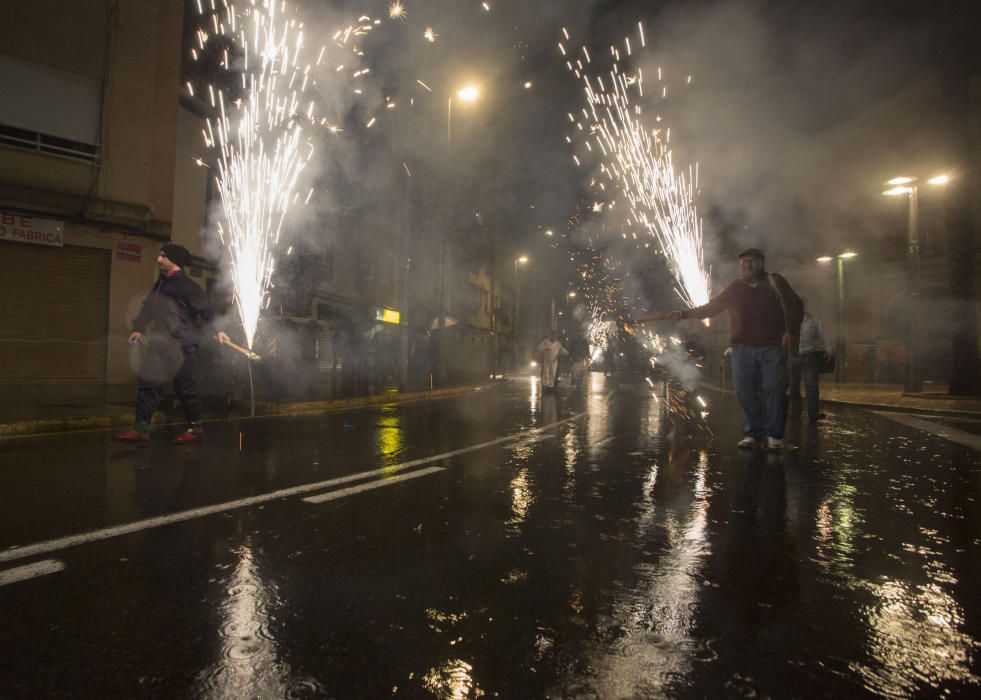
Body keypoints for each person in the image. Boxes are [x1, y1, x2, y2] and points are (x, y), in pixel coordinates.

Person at [655, 248, 802, 450]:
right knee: (744, 391)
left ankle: (774, 435)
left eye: (752, 261)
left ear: (762, 263)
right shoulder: (736, 287)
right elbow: (712, 308)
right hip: (742, 347)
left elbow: (796, 305)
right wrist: (683, 314)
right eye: (744, 262)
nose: (748, 265)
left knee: (775, 389)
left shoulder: (775, 282)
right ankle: (753, 433)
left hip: (771, 346)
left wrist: (789, 331)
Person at [114, 244, 229, 444]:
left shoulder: (188, 287)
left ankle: (195, 427)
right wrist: (138, 327)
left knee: (185, 388)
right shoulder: (160, 284)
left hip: (182, 345)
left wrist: (219, 330)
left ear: (173, 260)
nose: (158, 259)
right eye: (159, 255)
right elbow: (148, 307)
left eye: (163, 256)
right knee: (148, 384)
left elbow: (207, 310)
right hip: (159, 344)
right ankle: (141, 429)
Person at [789, 303, 834, 422]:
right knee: (793, 385)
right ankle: (796, 410)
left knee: (812, 386)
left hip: (809, 355)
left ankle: (813, 412)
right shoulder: (788, 320)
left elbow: (824, 333)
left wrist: (829, 349)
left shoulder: (813, 320)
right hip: (793, 356)